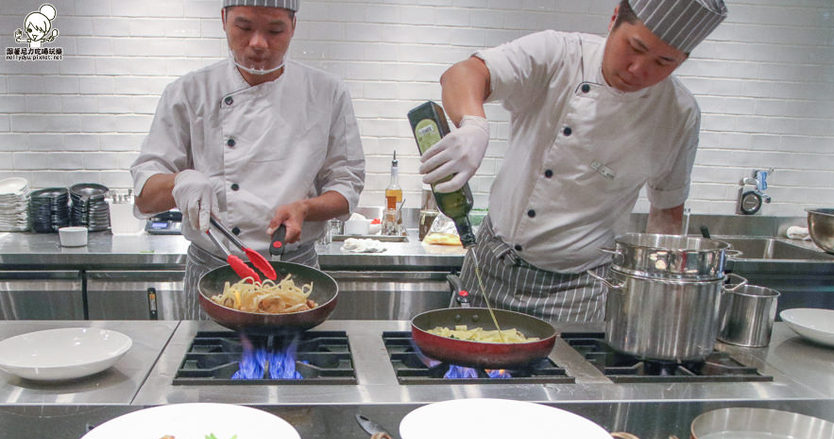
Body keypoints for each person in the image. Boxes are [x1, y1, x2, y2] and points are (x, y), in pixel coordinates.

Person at [419, 0, 727, 322]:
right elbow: (465, 72)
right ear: (613, 19)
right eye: (634, 47)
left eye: (663, 62)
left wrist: (659, 296)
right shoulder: (560, 54)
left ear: (683, 61)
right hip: (491, 267)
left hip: (579, 290)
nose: (639, 70)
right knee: (465, 366)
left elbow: (667, 214)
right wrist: (474, 124)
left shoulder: (679, 115)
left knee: (570, 372)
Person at [131, 0, 365, 319]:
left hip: (297, 277)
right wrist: (180, 182)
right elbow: (145, 197)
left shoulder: (327, 92)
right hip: (213, 276)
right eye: (244, 27)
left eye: (274, 30)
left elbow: (347, 187)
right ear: (224, 19)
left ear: (293, 26)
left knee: (300, 369)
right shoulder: (188, 92)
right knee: (205, 368)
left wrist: (306, 208)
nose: (258, 43)